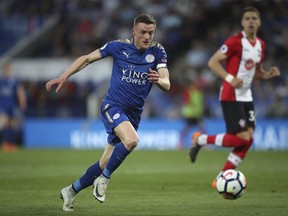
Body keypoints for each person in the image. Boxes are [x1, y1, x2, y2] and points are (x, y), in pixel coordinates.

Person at [46, 14, 170, 211]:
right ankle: (103, 181)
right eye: (143, 32)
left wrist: (158, 81)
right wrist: (63, 76)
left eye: (151, 32)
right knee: (132, 141)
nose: (147, 36)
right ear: (134, 31)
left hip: (133, 115)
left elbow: (167, 83)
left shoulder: (158, 51)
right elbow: (87, 59)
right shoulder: (118, 47)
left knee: (105, 162)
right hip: (112, 106)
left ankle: (70, 191)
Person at [189, 6, 280, 187]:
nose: (251, 21)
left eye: (254, 18)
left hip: (247, 96)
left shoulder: (261, 45)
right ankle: (200, 139)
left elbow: (256, 72)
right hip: (231, 95)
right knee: (243, 138)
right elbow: (213, 62)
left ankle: (221, 178)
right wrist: (230, 78)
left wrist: (268, 74)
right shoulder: (235, 41)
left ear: (259, 22)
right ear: (242, 22)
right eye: (247, 18)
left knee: (247, 140)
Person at [0, 62, 27, 153]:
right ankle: (6, 143)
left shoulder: (14, 81)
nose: (7, 71)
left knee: (13, 124)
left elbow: (20, 91)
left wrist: (22, 101)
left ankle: (12, 144)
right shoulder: (1, 81)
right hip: (3, 106)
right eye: (6, 70)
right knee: (5, 123)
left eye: (8, 69)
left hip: (12, 105)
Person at [179, 78, 204, 148]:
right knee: (187, 128)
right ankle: (181, 143)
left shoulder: (199, 92)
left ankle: (205, 143)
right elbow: (186, 101)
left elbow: (200, 102)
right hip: (190, 113)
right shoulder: (188, 91)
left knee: (201, 128)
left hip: (197, 113)